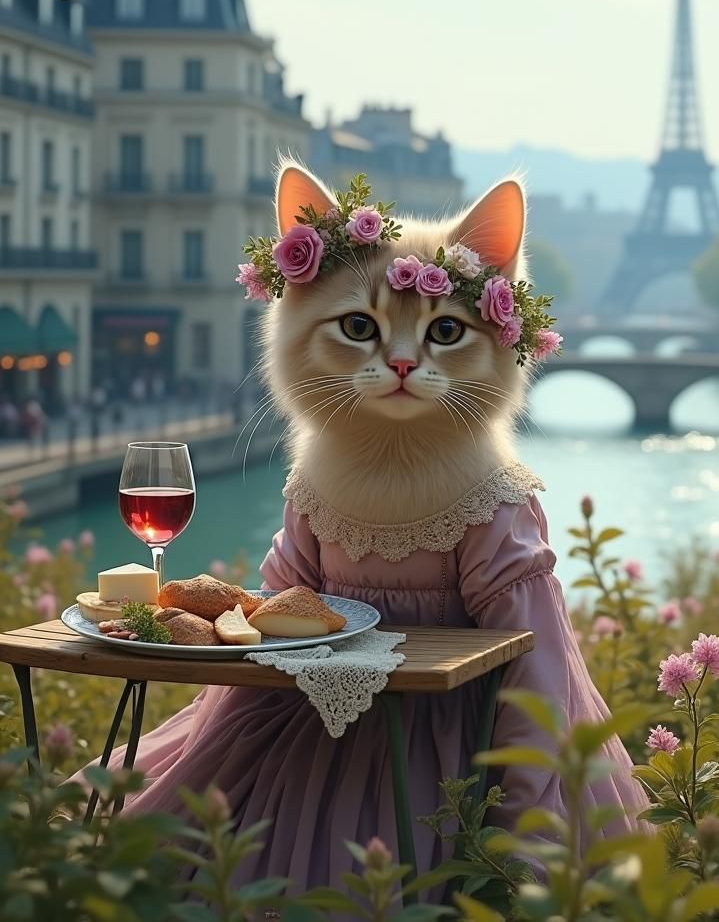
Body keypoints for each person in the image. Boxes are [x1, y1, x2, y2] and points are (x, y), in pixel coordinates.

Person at [70, 166, 646, 906]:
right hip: (308, 735)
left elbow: (538, 684)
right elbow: (269, 620)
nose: (402, 362)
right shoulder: (313, 484)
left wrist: (519, 838)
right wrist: (173, 624)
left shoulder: (489, 500)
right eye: (361, 328)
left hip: (448, 770)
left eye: (444, 332)